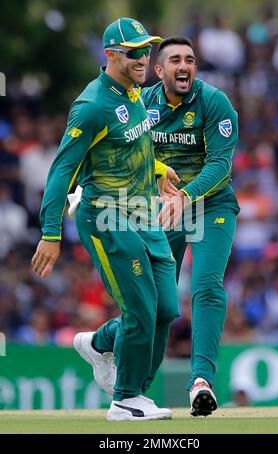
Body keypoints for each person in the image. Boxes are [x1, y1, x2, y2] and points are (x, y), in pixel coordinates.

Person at [77, 36, 240, 417]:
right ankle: (104, 347)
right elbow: (114, 153)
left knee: (207, 285)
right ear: (159, 70)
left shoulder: (215, 102)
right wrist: (84, 189)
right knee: (156, 305)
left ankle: (201, 381)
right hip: (159, 209)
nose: (184, 66)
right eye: (175, 60)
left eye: (191, 60)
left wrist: (185, 196)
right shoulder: (141, 103)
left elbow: (221, 165)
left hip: (210, 206)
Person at [31, 18, 180, 421]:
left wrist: (159, 170)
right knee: (142, 312)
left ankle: (99, 344)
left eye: (146, 51)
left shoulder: (134, 93)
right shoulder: (92, 105)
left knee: (166, 308)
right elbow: (62, 170)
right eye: (134, 52)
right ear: (111, 55)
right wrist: (50, 231)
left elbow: (125, 151)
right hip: (107, 218)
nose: (143, 59)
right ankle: (124, 400)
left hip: (144, 214)